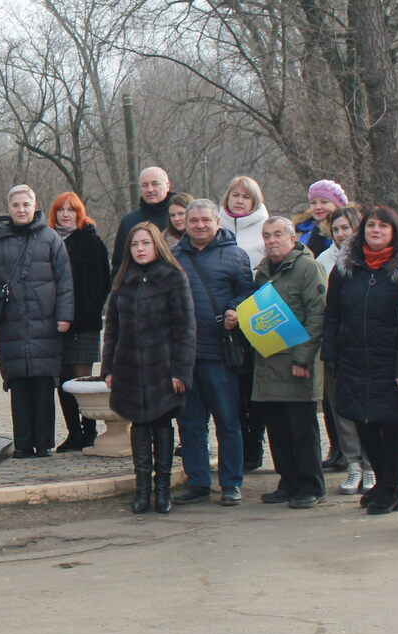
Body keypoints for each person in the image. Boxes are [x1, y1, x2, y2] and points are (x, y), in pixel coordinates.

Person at [322, 206, 398, 516]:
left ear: (395, 232)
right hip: (353, 359)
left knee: (391, 427)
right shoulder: (345, 268)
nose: (375, 230)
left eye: (383, 226)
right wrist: (331, 351)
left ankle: (391, 487)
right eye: (371, 225)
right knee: (363, 422)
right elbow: (333, 312)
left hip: (390, 362)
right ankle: (385, 486)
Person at [0, 185, 74, 458]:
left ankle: (45, 443)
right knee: (18, 385)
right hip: (11, 323)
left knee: (43, 383)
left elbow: (64, 281)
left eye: (26, 204)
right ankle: (23, 443)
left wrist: (64, 316)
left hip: (45, 322)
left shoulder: (51, 238)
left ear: (34, 204)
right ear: (9, 207)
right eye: (16, 205)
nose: (21, 209)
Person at [102, 224, 194, 514]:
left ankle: (163, 490)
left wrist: (180, 370)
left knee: (162, 426)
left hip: (163, 367)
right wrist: (108, 368)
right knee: (139, 426)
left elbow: (185, 329)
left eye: (145, 243)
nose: (140, 249)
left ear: (157, 245)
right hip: (129, 366)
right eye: (134, 244)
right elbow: (112, 329)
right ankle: (142, 490)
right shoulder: (123, 281)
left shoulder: (173, 278)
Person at [171, 199, 255, 505]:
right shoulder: (174, 256)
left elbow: (247, 292)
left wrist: (236, 310)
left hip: (221, 353)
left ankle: (231, 482)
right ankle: (198, 482)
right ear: (186, 223)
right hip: (186, 355)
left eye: (205, 220)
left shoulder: (235, 256)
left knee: (228, 421)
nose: (199, 225)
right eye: (194, 221)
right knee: (190, 423)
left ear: (217, 222)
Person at [250, 218, 329, 509]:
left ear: (292, 238)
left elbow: (318, 316)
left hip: (298, 365)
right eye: (266, 235)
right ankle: (289, 481)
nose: (271, 240)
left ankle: (311, 485)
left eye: (277, 235)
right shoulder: (262, 272)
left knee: (302, 431)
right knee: (278, 429)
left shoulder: (308, 268)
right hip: (269, 362)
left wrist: (303, 358)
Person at [48, 191, 111, 452]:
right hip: (56, 322)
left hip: (84, 322)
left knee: (82, 378)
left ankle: (89, 431)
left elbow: (103, 281)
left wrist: (89, 307)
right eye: (61, 210)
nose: (65, 214)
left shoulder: (91, 241)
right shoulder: (49, 240)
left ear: (79, 213)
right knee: (62, 380)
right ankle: (73, 433)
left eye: (70, 210)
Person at [316, 205, 371, 491]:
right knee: (341, 409)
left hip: (368, 346)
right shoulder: (325, 261)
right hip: (337, 343)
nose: (340, 234)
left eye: (345, 228)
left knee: (369, 407)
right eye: (335, 229)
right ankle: (352, 464)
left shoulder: (370, 259)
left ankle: (371, 465)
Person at [219, 175, 269, 471]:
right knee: (233, 387)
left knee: (256, 386)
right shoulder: (217, 228)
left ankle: (256, 443)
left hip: (259, 314)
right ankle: (236, 446)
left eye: (245, 196)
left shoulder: (265, 229)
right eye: (235, 195)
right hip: (227, 319)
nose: (239, 200)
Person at [113, 167, 177, 271]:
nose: (150, 189)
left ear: (167, 185)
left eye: (155, 184)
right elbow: (119, 264)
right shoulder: (129, 222)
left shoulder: (183, 216)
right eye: (145, 185)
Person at [295, 180, 348, 257]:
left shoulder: (343, 231)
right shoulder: (303, 229)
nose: (318, 207)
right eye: (313, 203)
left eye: (324, 202)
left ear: (337, 205)